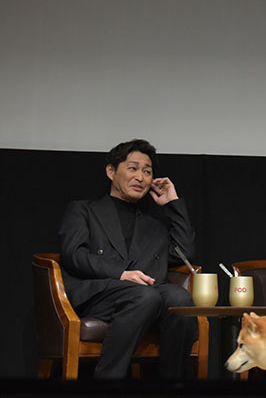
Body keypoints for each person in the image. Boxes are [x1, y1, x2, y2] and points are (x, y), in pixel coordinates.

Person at [58, 139, 197, 379]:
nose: (140, 177)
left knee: (179, 298)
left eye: (147, 171)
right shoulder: (84, 210)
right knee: (145, 296)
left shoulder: (153, 225)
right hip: (99, 294)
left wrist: (172, 203)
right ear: (111, 171)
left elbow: (184, 252)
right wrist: (120, 274)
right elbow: (74, 254)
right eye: (133, 168)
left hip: (145, 296)